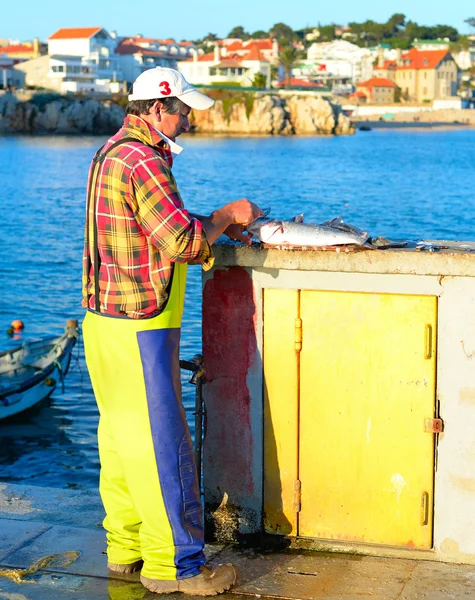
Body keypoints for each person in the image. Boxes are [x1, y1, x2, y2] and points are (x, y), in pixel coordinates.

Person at [82, 67, 262, 595]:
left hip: (103, 320)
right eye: (183, 110)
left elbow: (151, 227)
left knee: (118, 440)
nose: (188, 119)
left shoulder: (111, 152)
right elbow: (182, 243)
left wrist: (210, 221)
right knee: (162, 444)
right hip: (145, 324)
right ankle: (177, 568)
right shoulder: (146, 161)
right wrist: (230, 214)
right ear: (159, 108)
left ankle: (126, 549)